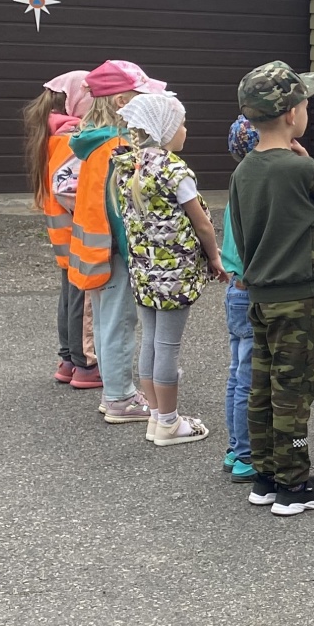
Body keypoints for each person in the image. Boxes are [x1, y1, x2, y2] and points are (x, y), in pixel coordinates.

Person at [229, 60, 314, 516]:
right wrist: (313, 164)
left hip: (259, 294)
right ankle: (295, 483)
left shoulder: (244, 170)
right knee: (295, 390)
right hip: (299, 297)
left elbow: (241, 233)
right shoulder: (303, 170)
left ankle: (265, 473)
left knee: (262, 384)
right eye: (304, 103)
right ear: (290, 114)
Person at [111, 91, 226, 446]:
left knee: (151, 343)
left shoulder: (127, 166)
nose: (186, 130)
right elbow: (203, 223)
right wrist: (215, 258)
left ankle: (157, 418)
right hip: (174, 276)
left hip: (143, 272)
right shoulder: (175, 171)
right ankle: (170, 423)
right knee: (168, 347)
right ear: (164, 130)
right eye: (181, 124)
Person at [66, 59, 167, 425]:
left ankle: (115, 392)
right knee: (119, 323)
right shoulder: (119, 146)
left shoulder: (93, 142)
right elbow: (120, 209)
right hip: (114, 253)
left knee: (109, 321)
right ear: (123, 102)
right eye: (140, 97)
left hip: (94, 250)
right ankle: (120, 397)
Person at [28, 70, 99, 388]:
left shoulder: (52, 136)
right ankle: (86, 365)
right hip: (79, 233)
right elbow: (68, 190)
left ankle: (68, 360)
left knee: (69, 297)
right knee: (83, 301)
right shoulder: (72, 140)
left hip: (64, 234)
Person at [220, 115, 259, 483]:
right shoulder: (253, 185)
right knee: (248, 375)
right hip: (249, 289)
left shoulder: (235, 184)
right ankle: (247, 452)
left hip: (233, 287)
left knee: (236, 373)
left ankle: (235, 446)